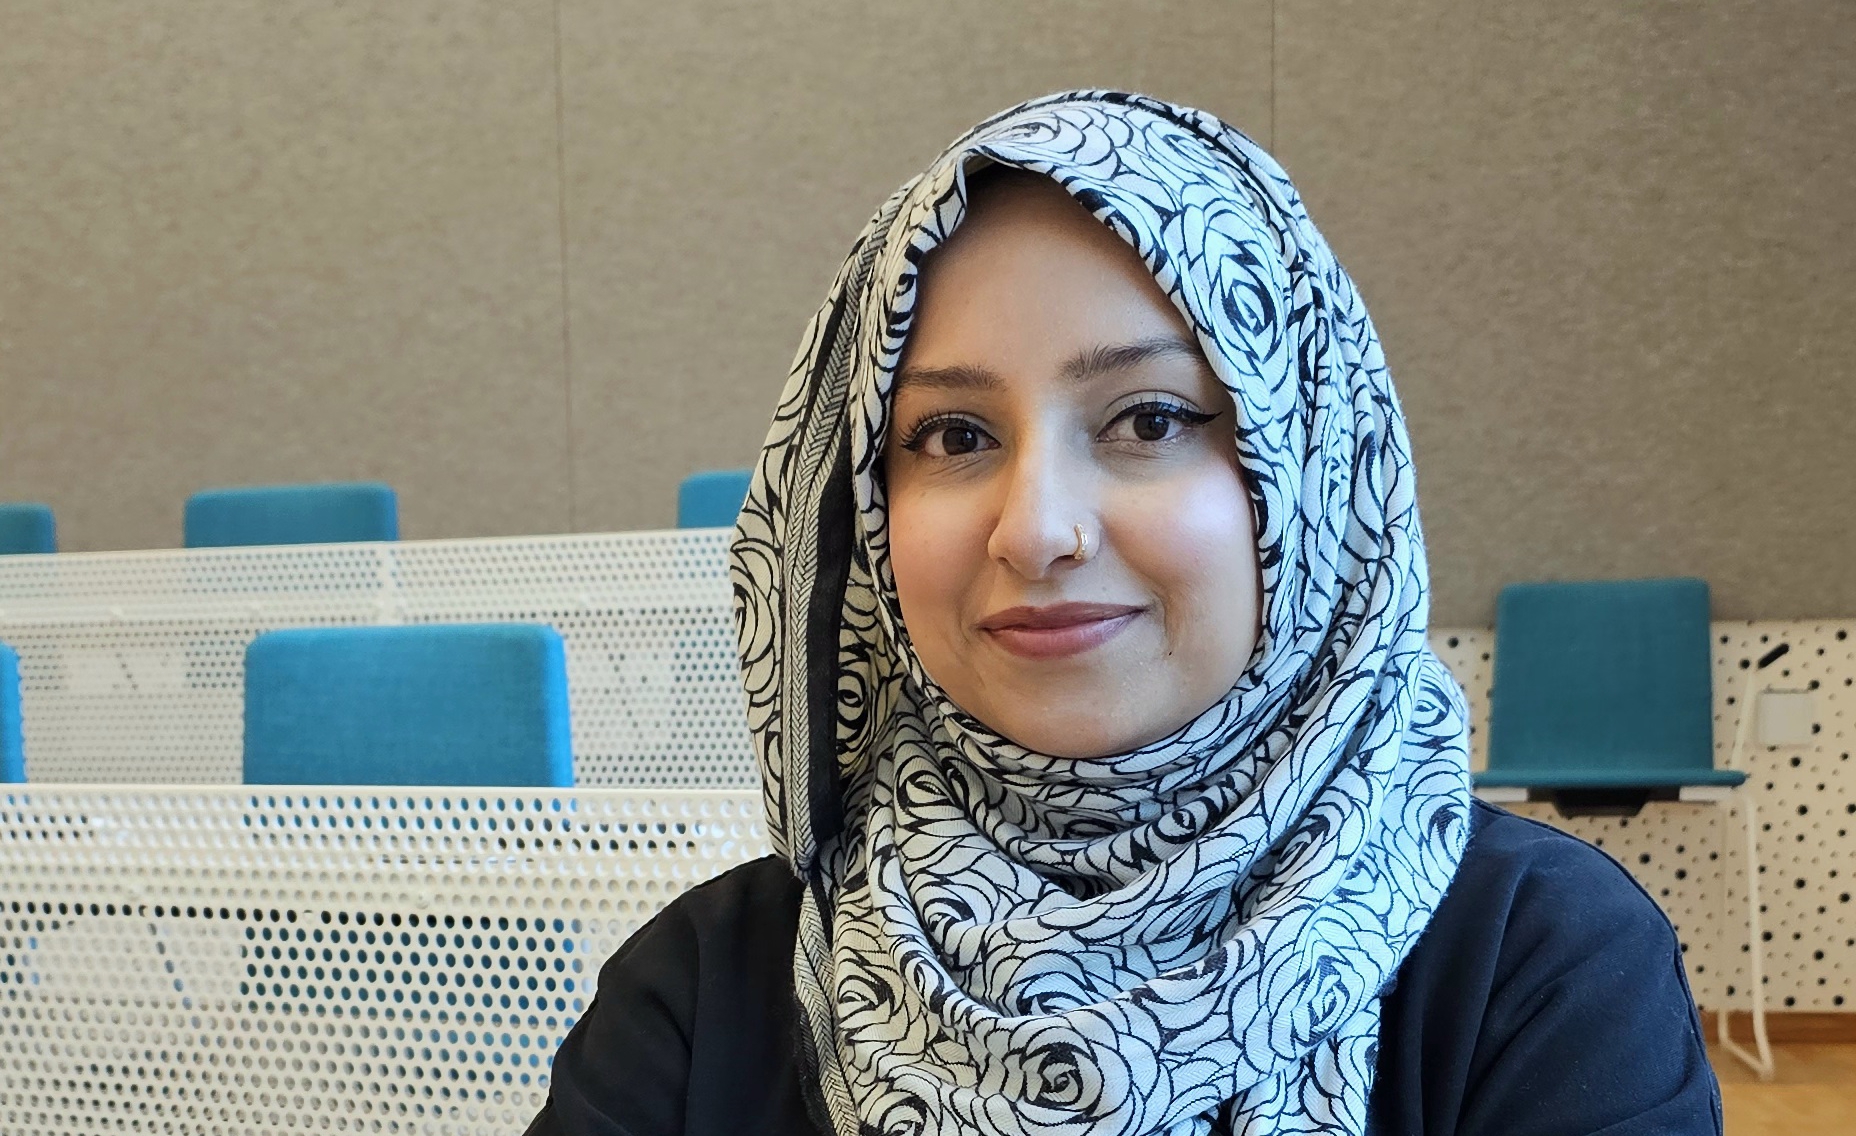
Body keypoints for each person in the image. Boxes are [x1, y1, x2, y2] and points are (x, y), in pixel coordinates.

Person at [526, 91, 1720, 1136]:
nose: (1036, 526)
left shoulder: (1538, 967)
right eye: (952, 436)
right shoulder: (700, 994)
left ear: (1301, 470)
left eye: (1147, 419)